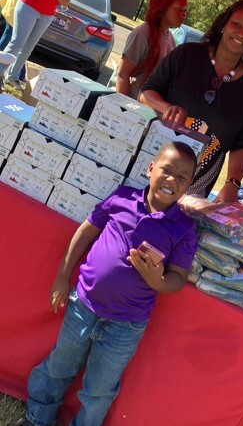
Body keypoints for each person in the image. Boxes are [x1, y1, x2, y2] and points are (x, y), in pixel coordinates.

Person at [23, 141, 198, 426]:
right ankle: (38, 416)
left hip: (126, 325)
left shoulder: (184, 229)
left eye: (182, 178)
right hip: (84, 304)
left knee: (100, 389)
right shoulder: (122, 198)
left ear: (188, 185)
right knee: (58, 366)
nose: (171, 180)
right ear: (151, 168)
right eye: (166, 170)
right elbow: (86, 230)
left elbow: (177, 278)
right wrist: (62, 276)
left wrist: (158, 279)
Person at [140, 0, 243, 201]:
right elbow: (147, 92)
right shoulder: (186, 55)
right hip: (150, 163)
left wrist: (233, 183)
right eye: (237, 24)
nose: (241, 33)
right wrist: (166, 107)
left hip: (195, 186)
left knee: (168, 231)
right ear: (224, 24)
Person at [0, 0, 77, 91]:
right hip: (28, 6)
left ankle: (12, 77)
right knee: (17, 43)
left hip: (46, 15)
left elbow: (66, 1)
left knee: (28, 48)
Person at [109, 0, 188, 99]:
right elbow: (122, 75)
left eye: (185, 10)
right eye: (179, 9)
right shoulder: (142, 33)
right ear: (163, 6)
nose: (183, 15)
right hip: (132, 106)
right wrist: (124, 108)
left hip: (147, 110)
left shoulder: (170, 38)